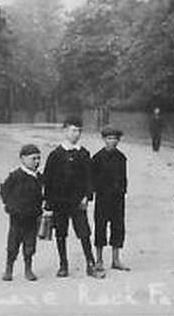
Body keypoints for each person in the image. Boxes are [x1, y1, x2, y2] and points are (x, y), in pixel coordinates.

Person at [43, 116, 104, 279]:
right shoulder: (55, 155)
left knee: (84, 232)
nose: (76, 134)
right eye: (73, 130)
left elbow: (89, 178)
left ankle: (90, 264)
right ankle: (63, 265)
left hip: (78, 201)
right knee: (61, 233)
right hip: (59, 201)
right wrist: (48, 203)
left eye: (79, 131)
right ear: (64, 131)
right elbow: (48, 180)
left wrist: (87, 196)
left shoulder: (83, 153)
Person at [0, 144, 43, 282]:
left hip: (33, 216)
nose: (36, 162)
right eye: (33, 158)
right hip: (17, 216)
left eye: (38, 158)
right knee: (13, 243)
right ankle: (9, 268)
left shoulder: (39, 177)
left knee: (30, 243)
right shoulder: (15, 176)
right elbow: (4, 191)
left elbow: (42, 194)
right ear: (22, 159)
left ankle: (28, 268)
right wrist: (10, 206)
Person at [92, 126, 130, 272]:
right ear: (104, 139)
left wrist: (122, 191)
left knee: (118, 227)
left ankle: (116, 259)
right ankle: (99, 260)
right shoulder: (97, 157)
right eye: (109, 138)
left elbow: (124, 178)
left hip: (117, 198)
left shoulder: (121, 157)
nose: (112, 141)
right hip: (102, 198)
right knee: (100, 226)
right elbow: (92, 178)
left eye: (115, 139)